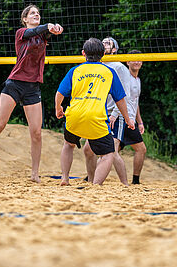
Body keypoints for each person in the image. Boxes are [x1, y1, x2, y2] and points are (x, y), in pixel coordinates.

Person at [0, 5, 63, 183]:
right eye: (32, 13)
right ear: (25, 19)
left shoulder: (41, 36)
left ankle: (34, 174)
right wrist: (48, 26)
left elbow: (46, 33)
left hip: (33, 87)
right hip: (15, 84)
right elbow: (38, 30)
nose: (36, 15)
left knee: (36, 133)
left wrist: (55, 29)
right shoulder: (21, 33)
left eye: (38, 13)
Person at [56, 38, 134, 185]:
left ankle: (65, 178)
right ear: (103, 54)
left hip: (74, 116)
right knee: (108, 154)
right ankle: (96, 185)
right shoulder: (109, 72)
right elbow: (120, 100)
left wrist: (58, 108)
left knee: (68, 144)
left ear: (83, 53)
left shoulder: (75, 70)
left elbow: (59, 93)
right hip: (96, 118)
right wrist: (128, 119)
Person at [82, 37, 129, 185]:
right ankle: (91, 181)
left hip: (115, 114)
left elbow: (123, 94)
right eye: (103, 42)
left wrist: (116, 114)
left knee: (112, 151)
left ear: (114, 50)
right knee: (88, 150)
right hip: (98, 114)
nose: (104, 44)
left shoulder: (119, 67)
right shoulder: (96, 66)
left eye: (108, 43)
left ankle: (125, 184)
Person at [111, 50, 147, 184]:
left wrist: (140, 122)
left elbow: (135, 102)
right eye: (133, 60)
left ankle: (91, 176)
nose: (137, 62)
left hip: (130, 118)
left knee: (112, 150)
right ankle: (135, 181)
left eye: (139, 60)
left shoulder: (138, 80)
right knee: (141, 149)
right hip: (124, 118)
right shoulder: (125, 77)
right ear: (127, 62)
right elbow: (121, 98)